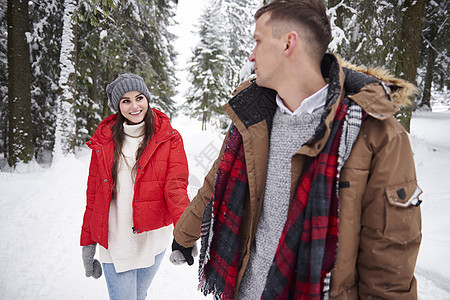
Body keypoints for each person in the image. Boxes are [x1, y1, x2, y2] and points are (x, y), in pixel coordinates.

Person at [170, 0, 422, 299]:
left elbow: (388, 264)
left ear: (289, 43)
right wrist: (183, 235)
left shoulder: (377, 134)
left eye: (258, 41)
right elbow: (216, 180)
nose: (251, 55)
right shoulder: (253, 111)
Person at [80, 73, 190, 300]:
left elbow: (176, 189)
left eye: (139, 97)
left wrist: (184, 236)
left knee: (139, 296)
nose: (134, 106)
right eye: (126, 101)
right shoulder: (104, 140)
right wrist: (88, 242)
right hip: (116, 240)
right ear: (117, 106)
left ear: (147, 99)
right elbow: (94, 196)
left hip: (153, 239)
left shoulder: (169, 138)